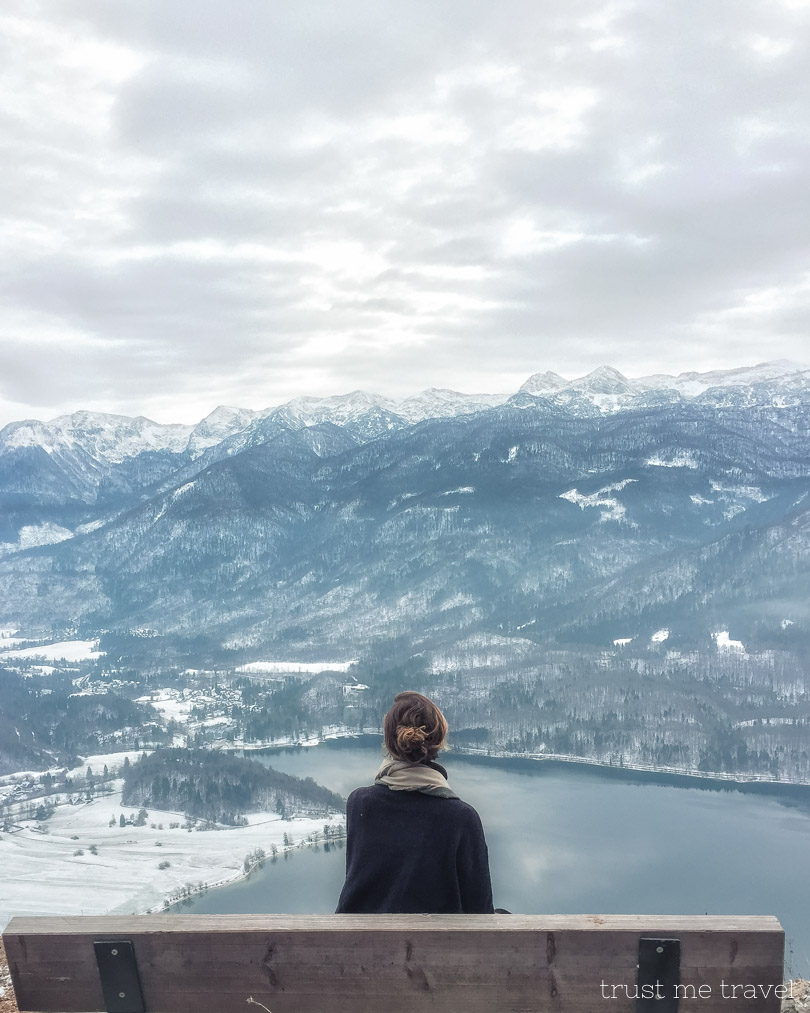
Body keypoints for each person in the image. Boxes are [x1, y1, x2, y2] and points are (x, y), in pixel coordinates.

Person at [335, 690, 494, 914]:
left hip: (357, 946)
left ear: (390, 741)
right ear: (438, 743)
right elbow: (480, 913)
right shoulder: (461, 818)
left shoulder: (359, 804)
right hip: (433, 948)